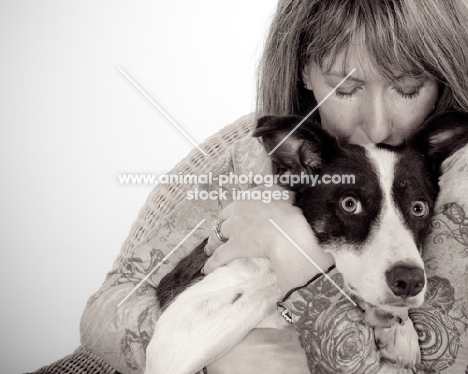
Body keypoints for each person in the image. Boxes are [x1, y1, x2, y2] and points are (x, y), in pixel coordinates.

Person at [80, 1, 468, 373]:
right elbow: (107, 311)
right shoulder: (258, 155)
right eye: (345, 89)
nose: (378, 126)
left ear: (441, 76)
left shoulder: (456, 170)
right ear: (304, 71)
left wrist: (299, 260)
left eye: (407, 88)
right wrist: (217, 359)